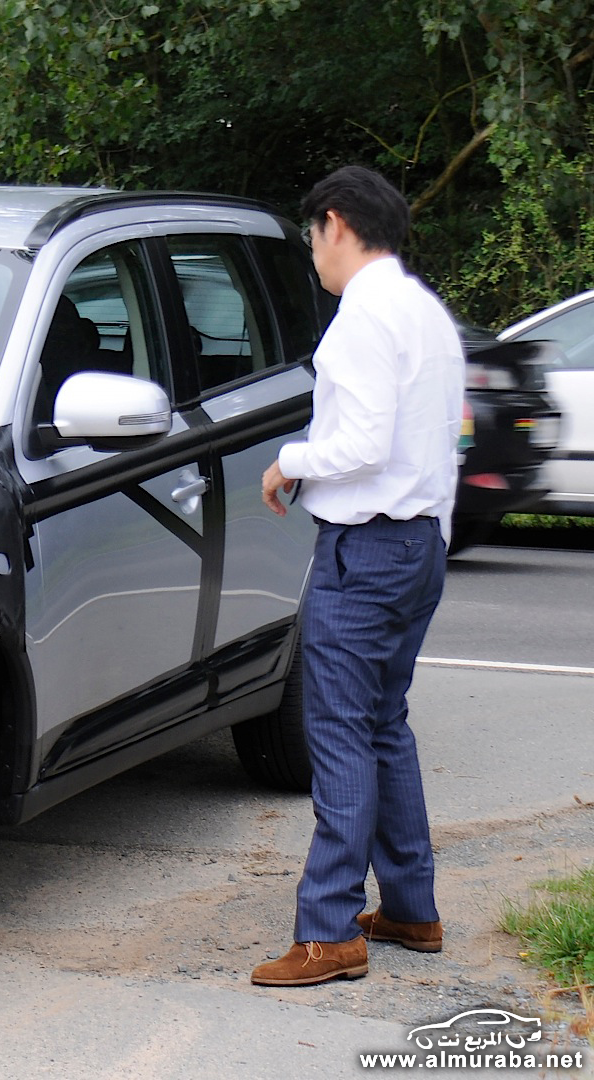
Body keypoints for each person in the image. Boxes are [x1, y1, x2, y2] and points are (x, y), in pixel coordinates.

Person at [251, 165, 464, 987]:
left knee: (340, 731)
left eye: (313, 237)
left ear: (334, 224)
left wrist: (290, 462)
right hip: (419, 545)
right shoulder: (427, 313)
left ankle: (329, 932)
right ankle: (411, 909)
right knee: (382, 724)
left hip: (367, 549)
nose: (314, 254)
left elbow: (365, 442)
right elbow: (438, 441)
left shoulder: (363, 317)